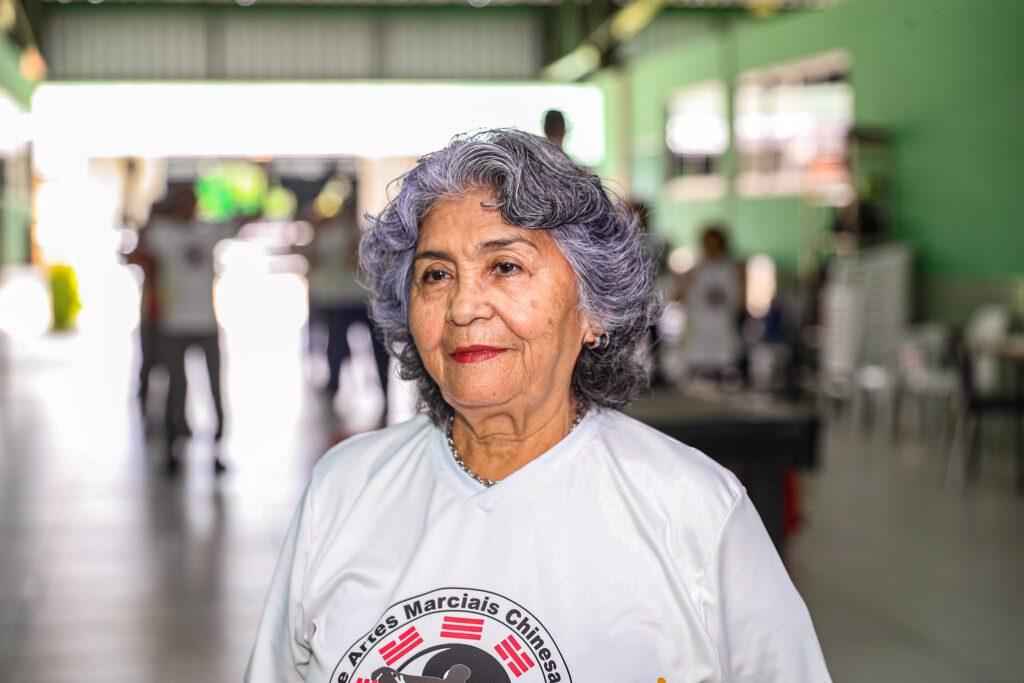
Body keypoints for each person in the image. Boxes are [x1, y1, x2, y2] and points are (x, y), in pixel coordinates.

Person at [247, 131, 829, 682]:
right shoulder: (344, 490)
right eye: (436, 274)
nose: (463, 306)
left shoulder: (694, 511)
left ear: (593, 307)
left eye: (505, 266)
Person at [145, 184, 230, 474]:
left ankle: (218, 444)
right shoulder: (163, 233)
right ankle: (174, 443)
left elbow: (244, 220)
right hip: (174, 324)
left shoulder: (207, 233)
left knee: (214, 387)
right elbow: (141, 243)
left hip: (205, 323)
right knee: (176, 390)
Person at [682, 224, 746, 381]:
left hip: (724, 328)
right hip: (700, 330)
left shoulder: (733, 268)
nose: (711, 248)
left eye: (714, 243)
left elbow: (740, 298)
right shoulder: (695, 270)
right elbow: (681, 296)